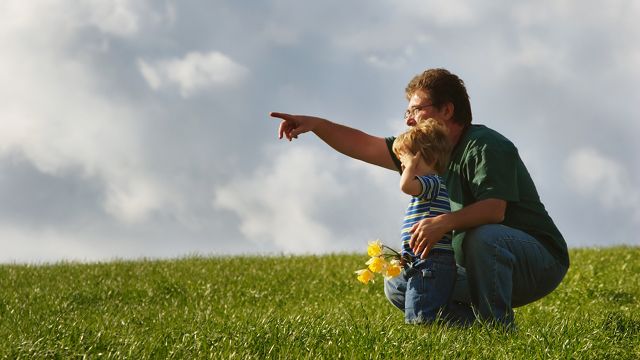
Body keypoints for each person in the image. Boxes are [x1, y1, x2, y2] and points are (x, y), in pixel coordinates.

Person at [270, 68, 569, 329]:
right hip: (478, 267)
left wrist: (442, 223)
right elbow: (364, 145)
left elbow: (494, 210)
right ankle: (478, 333)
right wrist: (317, 124)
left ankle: (498, 328)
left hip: (537, 263)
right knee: (400, 284)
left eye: (416, 110)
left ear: (447, 111)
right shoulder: (425, 151)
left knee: (484, 236)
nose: (410, 120)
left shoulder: (486, 146)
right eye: (408, 113)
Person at [391, 119, 457, 324]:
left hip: (431, 263)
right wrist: (408, 252)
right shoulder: (426, 190)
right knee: (427, 313)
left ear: (432, 158)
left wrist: (409, 167)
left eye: (410, 158)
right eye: (403, 160)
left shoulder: (433, 183)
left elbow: (405, 186)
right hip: (425, 261)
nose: (404, 164)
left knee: (421, 318)